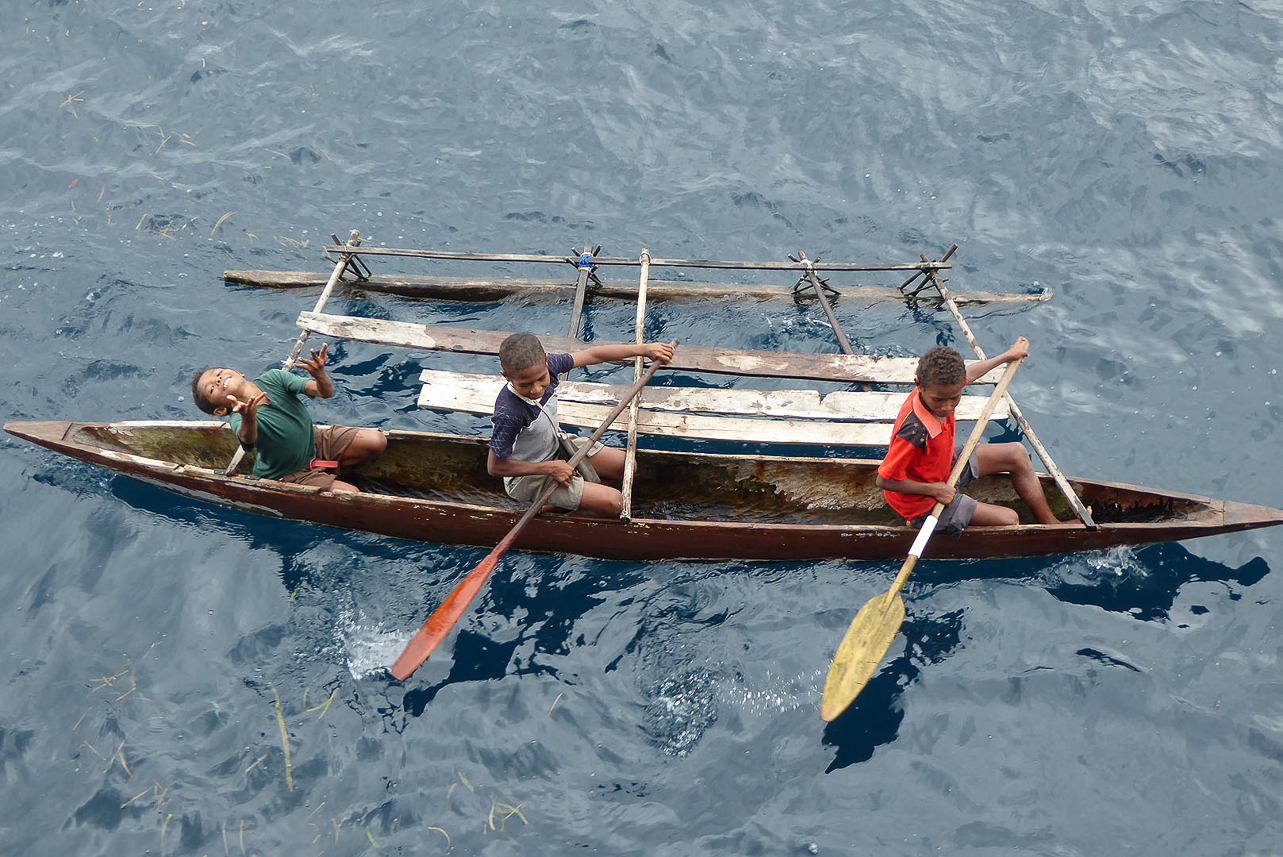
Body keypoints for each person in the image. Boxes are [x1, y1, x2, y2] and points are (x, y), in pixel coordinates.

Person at [876, 337, 1073, 530]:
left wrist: (1006, 356)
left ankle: (1051, 523)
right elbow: (884, 480)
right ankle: (917, 523)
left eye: (955, 398)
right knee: (1010, 520)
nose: (946, 407)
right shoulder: (914, 432)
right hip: (922, 502)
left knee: (1017, 453)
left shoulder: (939, 388)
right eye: (938, 400)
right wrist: (935, 489)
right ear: (918, 385)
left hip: (941, 468)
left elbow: (970, 374)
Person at [488, 333, 675, 517]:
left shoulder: (549, 366)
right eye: (525, 385)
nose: (536, 389)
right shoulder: (508, 413)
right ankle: (558, 517)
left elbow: (595, 355)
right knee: (616, 503)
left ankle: (559, 504)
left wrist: (644, 350)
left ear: (546, 360)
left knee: (626, 466)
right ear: (506, 376)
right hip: (527, 477)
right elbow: (496, 467)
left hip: (556, 448)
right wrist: (550, 468)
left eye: (541, 379)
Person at [190, 343, 386, 493]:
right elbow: (247, 438)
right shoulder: (238, 417)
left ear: (239, 373)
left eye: (219, 373)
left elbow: (324, 392)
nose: (217, 378)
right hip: (288, 474)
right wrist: (249, 417)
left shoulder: (275, 378)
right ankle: (320, 473)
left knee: (377, 441)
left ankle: (327, 467)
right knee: (353, 493)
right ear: (220, 411)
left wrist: (320, 375)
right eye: (212, 388)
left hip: (313, 441)